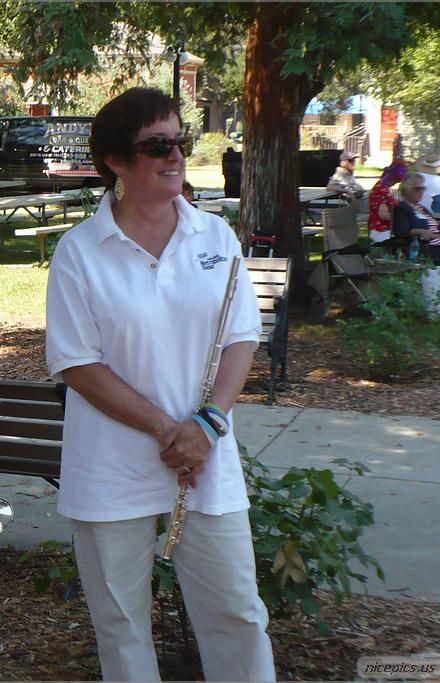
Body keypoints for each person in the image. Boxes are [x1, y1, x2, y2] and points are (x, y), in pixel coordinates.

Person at [45, 87, 275, 682]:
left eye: (180, 141)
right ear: (116, 161)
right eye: (156, 145)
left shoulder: (215, 237)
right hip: (111, 465)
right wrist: (168, 430)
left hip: (206, 456)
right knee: (121, 625)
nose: (175, 155)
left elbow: (240, 338)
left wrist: (208, 425)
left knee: (237, 615)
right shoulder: (78, 251)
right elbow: (77, 363)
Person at [393, 172, 440, 265]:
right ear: (406, 190)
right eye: (417, 188)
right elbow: (400, 232)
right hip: (423, 252)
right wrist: (420, 231)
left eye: (423, 188)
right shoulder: (402, 208)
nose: (421, 191)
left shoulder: (422, 208)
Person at [367, 159, 408, 245]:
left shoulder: (385, 187)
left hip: (387, 229)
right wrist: (403, 218)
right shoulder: (381, 189)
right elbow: (383, 215)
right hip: (381, 230)